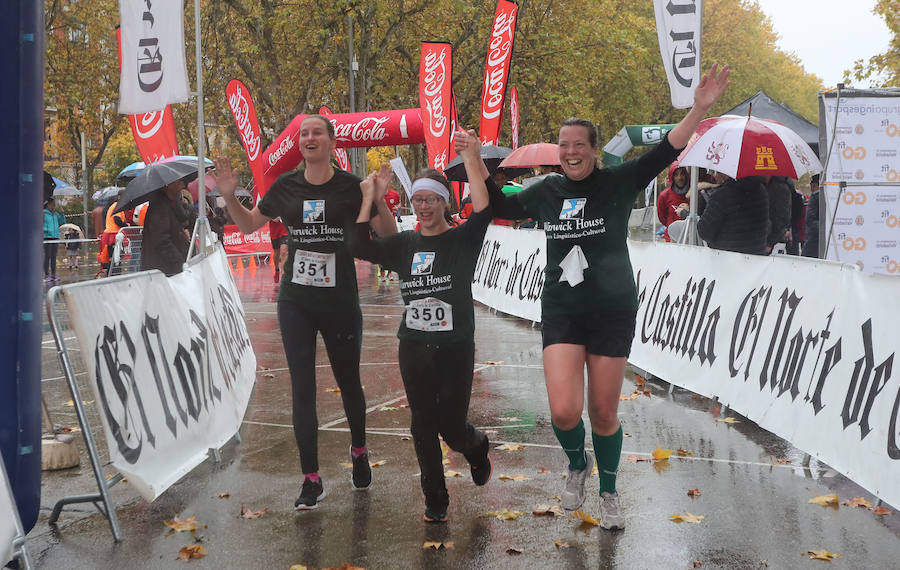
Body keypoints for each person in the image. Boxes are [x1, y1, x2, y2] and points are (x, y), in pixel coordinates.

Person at [478, 64, 731, 531]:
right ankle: (578, 463)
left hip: (613, 309)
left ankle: (610, 491)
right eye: (564, 145)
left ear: (594, 151)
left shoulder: (618, 180)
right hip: (562, 309)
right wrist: (475, 161)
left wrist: (699, 107)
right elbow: (494, 208)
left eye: (580, 145)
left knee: (602, 411)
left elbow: (666, 149)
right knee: (562, 410)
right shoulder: (546, 191)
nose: (571, 152)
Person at [214, 114, 398, 511]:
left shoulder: (352, 187)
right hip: (296, 300)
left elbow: (389, 235)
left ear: (333, 143)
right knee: (302, 386)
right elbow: (248, 226)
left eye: (317, 132)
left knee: (349, 382)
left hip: (340, 300)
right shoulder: (285, 186)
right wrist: (230, 196)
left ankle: (359, 450)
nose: (309, 138)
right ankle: (311, 479)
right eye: (304, 134)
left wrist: (378, 197)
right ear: (299, 144)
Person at [351, 135, 493, 524]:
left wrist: (471, 156)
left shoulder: (462, 240)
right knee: (421, 424)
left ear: (444, 201)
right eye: (418, 200)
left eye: (431, 199)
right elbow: (359, 244)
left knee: (451, 426)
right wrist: (371, 198)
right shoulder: (404, 245)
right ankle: (436, 498)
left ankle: (477, 446)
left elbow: (483, 210)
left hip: (455, 346)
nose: (425, 207)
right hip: (414, 347)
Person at [695, 175, 769, 254]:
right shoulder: (761, 191)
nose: (715, 175)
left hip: (727, 258)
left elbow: (705, 232)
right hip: (757, 257)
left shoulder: (722, 196)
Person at [140, 178, 192, 276]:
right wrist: (180, 263)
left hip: (168, 270)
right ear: (168, 185)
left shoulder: (169, 203)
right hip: (163, 272)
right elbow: (161, 240)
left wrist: (180, 233)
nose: (182, 186)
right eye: (179, 181)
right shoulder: (159, 207)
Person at [656, 164, 690, 241]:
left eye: (682, 174)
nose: (680, 178)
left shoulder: (693, 193)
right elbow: (662, 218)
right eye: (676, 175)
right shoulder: (664, 196)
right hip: (671, 239)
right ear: (672, 177)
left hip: (689, 238)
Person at [42, 199, 65, 281]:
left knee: (54, 257)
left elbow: (62, 222)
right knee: (47, 256)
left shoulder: (56, 214)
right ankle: (46, 274)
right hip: (47, 237)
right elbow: (39, 223)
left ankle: (53, 274)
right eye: (53, 204)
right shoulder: (43, 213)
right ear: (48, 204)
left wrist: (62, 213)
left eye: (54, 204)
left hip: (55, 237)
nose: (54, 206)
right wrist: (46, 229)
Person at [801, 175, 820, 258]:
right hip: (815, 235)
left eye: (812, 186)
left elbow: (809, 218)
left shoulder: (815, 197)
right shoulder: (817, 197)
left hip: (813, 236)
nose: (811, 188)